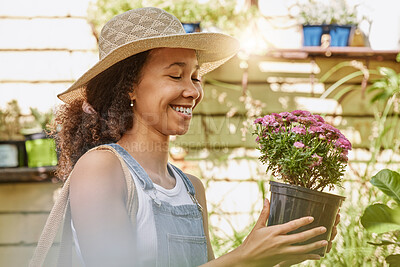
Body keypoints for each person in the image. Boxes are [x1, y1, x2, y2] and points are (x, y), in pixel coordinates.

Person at [53, 7, 339, 267]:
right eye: (176, 76)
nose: (192, 91)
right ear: (129, 87)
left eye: (195, 77)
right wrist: (244, 258)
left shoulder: (191, 188)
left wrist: (273, 255)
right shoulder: (102, 170)